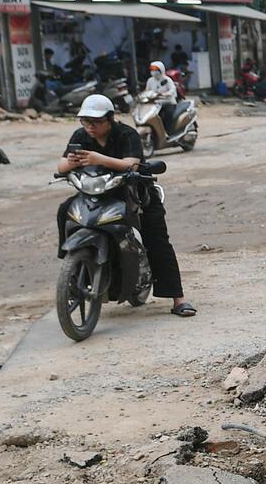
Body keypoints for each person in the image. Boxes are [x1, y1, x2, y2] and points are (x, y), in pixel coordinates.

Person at [56, 94, 195, 317]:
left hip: (134, 194)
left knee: (156, 238)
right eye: (86, 121)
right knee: (65, 210)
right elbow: (62, 164)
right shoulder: (80, 135)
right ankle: (71, 268)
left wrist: (98, 159)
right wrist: (70, 163)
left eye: (96, 122)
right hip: (96, 193)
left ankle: (178, 299)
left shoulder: (126, 134)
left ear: (110, 119)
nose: (91, 127)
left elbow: (132, 163)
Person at [141, 60, 180, 135]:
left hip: (168, 102)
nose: (153, 72)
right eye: (152, 70)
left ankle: (169, 132)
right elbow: (147, 90)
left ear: (161, 70)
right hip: (155, 103)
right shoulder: (150, 80)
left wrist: (166, 94)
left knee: (168, 115)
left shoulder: (167, 80)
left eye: (155, 70)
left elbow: (172, 90)